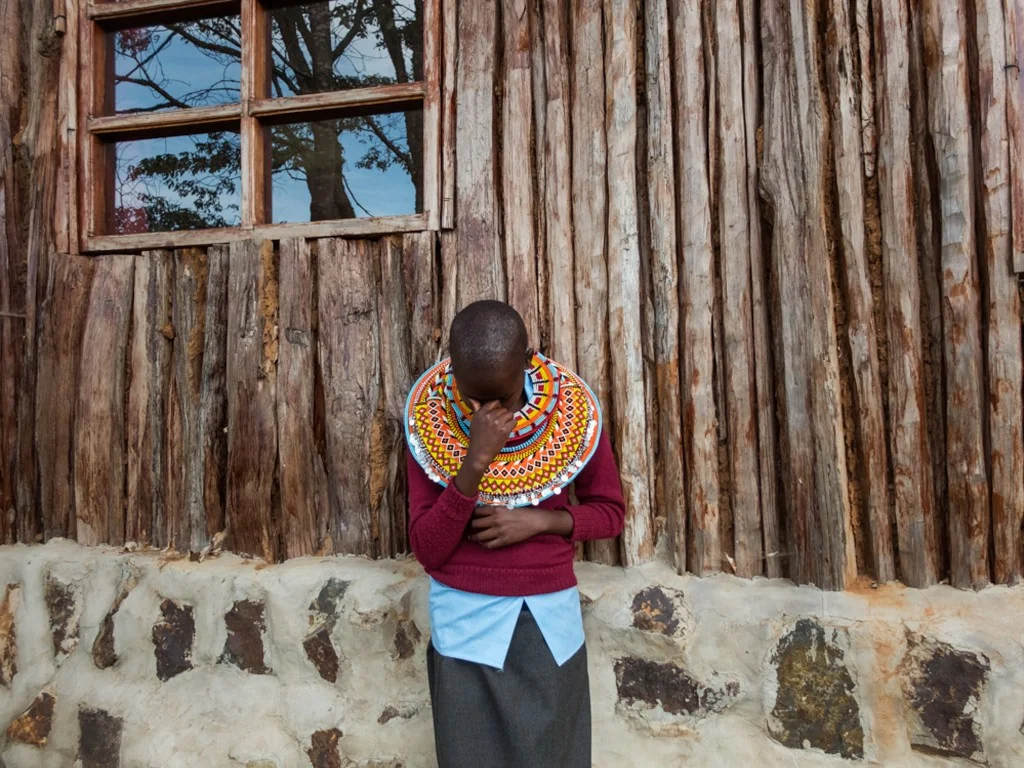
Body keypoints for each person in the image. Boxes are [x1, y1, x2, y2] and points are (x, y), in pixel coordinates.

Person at [404, 300, 626, 768]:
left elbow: (610, 514)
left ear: (528, 359)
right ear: (452, 368)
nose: (486, 411)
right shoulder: (429, 419)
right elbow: (428, 548)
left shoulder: (572, 415)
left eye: (500, 398)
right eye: (472, 397)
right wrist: (474, 463)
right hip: (463, 621)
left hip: (547, 621)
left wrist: (540, 521)